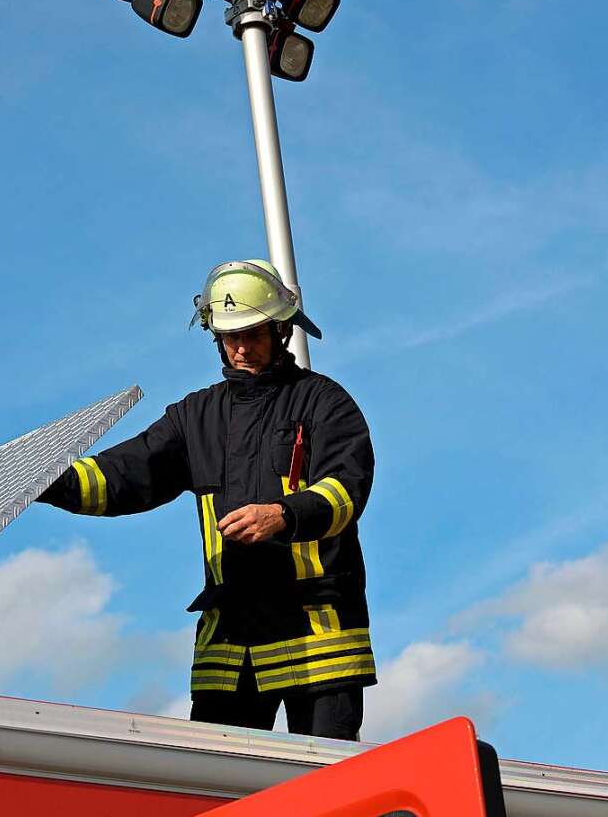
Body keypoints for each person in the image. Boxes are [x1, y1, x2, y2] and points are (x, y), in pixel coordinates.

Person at [39, 259, 376, 740]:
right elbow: (121, 476)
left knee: (331, 795)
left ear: (281, 330)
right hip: (231, 646)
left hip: (319, 640)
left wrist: (283, 514)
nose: (241, 348)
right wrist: (40, 479)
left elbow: (346, 490)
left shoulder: (324, 402)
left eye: (254, 334)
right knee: (220, 796)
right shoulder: (194, 417)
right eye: (229, 336)